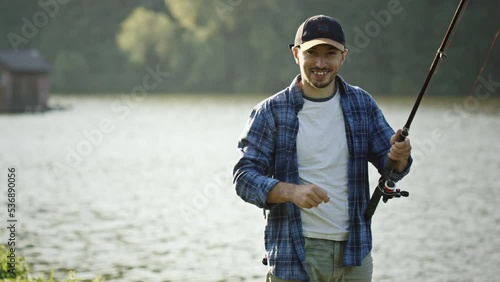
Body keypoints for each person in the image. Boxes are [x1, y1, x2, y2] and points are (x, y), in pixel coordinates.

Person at [233, 15, 412, 282]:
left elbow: (393, 166)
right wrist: (290, 191)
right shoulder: (270, 111)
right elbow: (243, 177)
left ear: (343, 57)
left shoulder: (362, 104)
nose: (320, 63)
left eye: (330, 53)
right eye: (312, 53)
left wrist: (400, 156)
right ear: (296, 54)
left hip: (355, 253)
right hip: (294, 255)